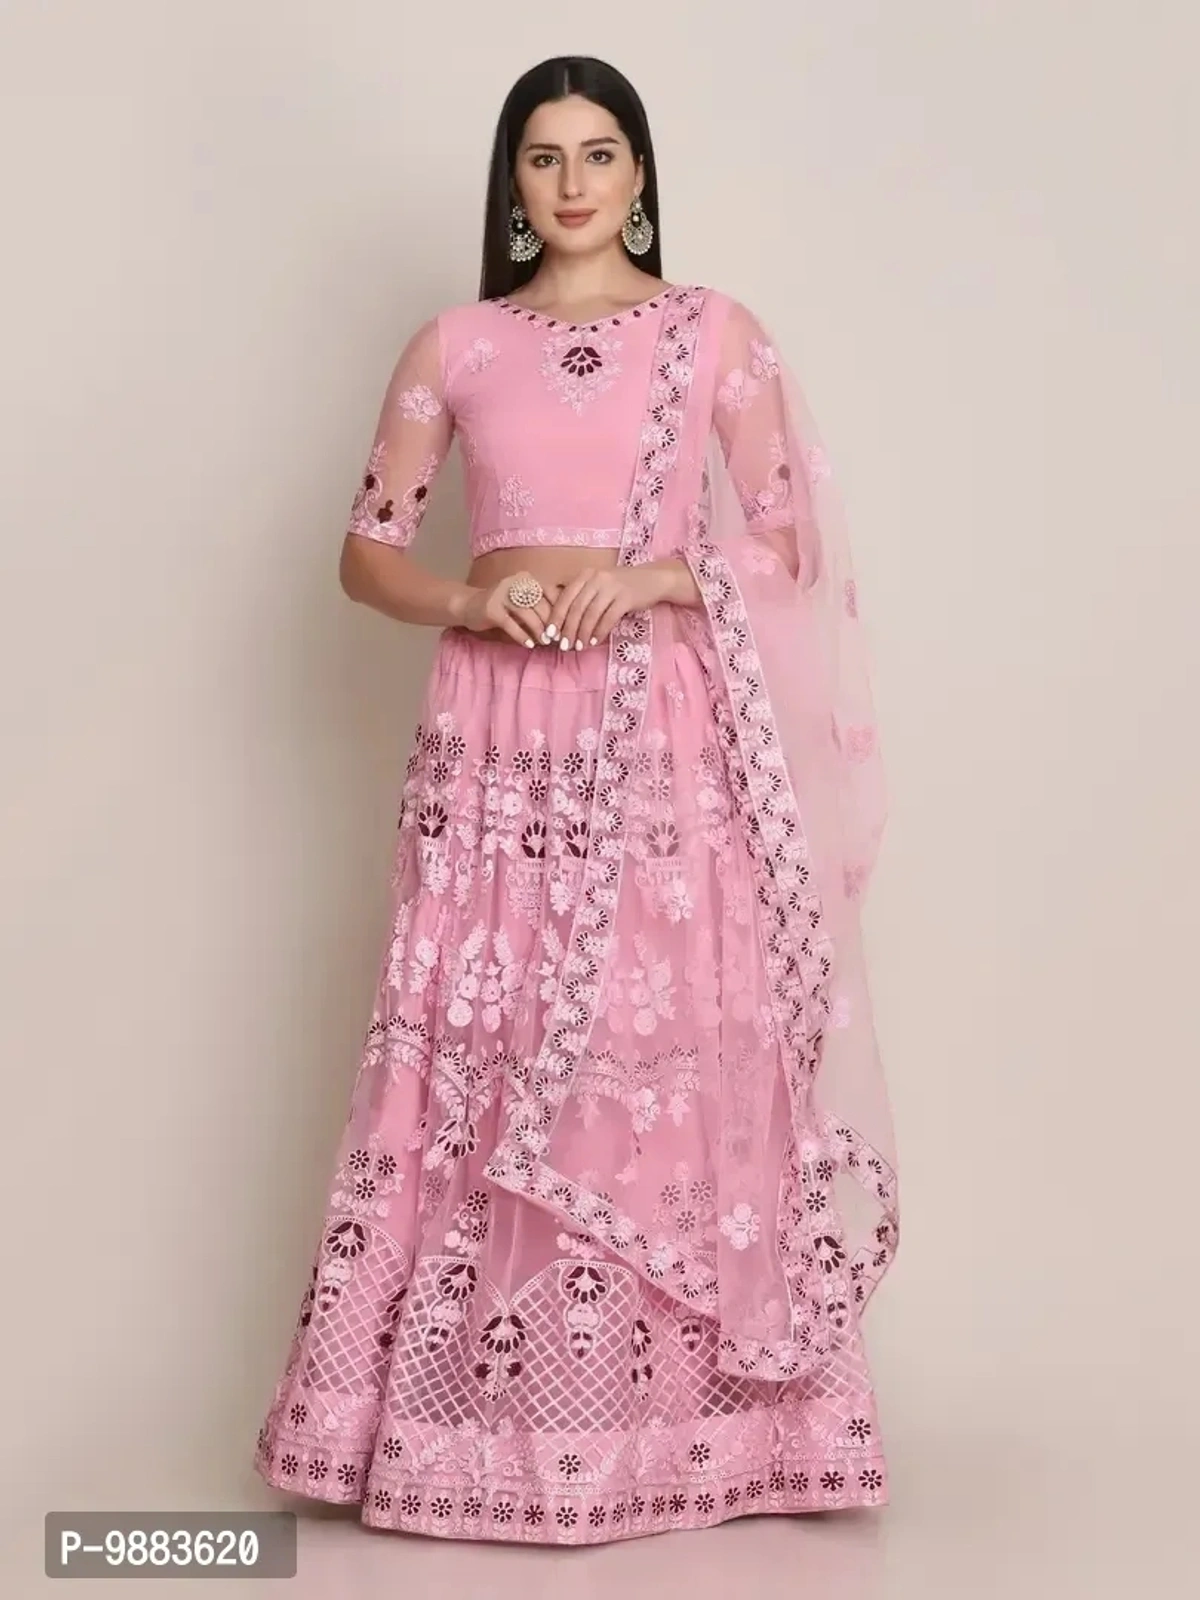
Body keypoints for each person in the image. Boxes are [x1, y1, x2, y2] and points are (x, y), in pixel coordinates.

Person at [254, 54, 898, 1547]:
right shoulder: (457, 344)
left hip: (657, 724)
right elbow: (368, 550)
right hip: (492, 731)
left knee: (649, 1037)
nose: (572, 183)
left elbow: (793, 545)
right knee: (484, 1032)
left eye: (598, 153)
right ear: (513, 184)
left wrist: (659, 575)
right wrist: (469, 603)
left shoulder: (712, 334)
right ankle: (460, 1427)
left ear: (640, 173)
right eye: (542, 158)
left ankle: (704, 1428)